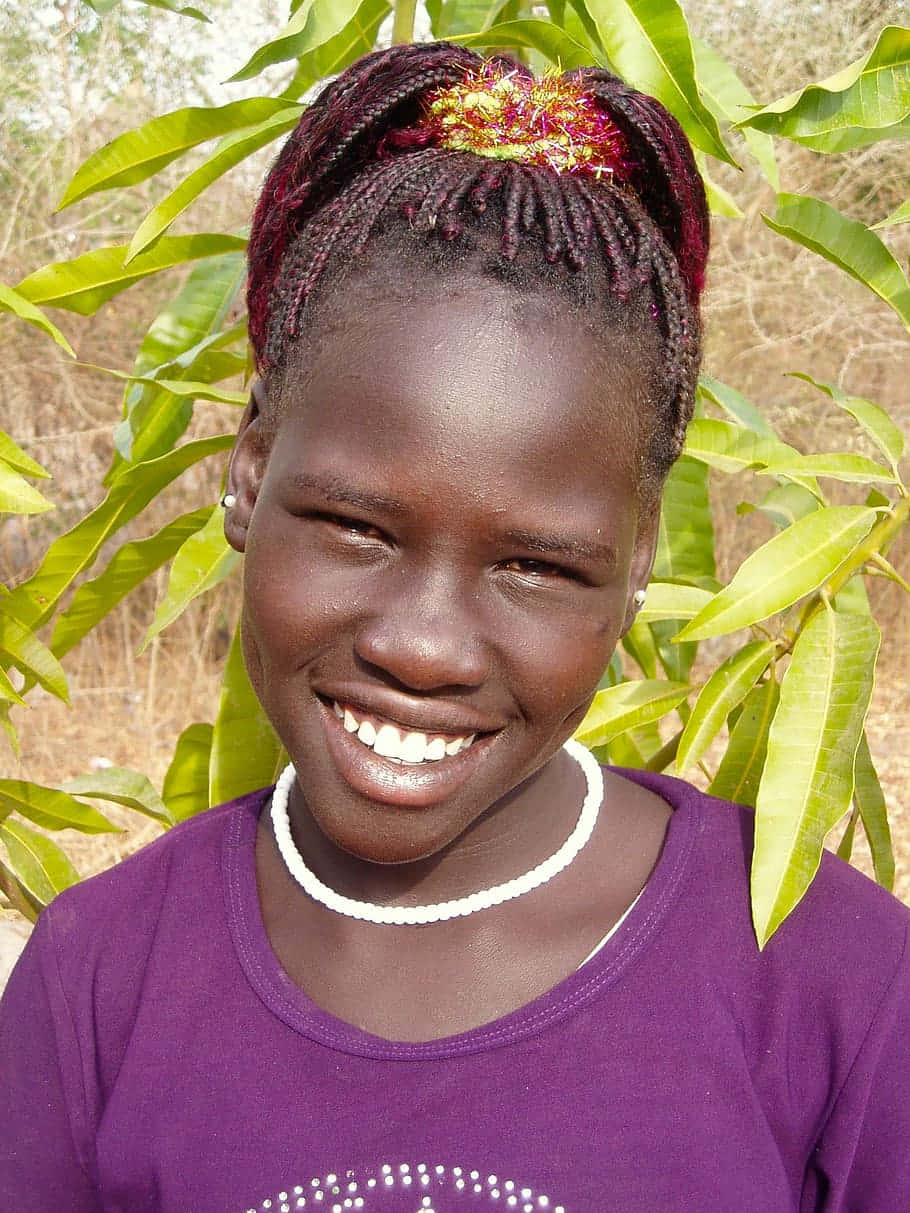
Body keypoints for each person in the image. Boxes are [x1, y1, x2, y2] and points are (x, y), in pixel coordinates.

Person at [2, 40, 909, 1212]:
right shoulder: (97, 985)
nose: (424, 647)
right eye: (357, 528)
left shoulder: (833, 986)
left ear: (638, 562)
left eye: (535, 565)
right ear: (248, 472)